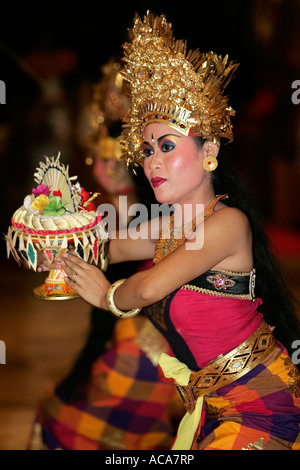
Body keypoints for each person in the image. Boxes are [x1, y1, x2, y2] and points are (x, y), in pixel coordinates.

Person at [39, 12, 300, 450]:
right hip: (212, 408)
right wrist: (53, 247)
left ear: (209, 151)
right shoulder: (167, 226)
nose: (151, 161)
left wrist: (105, 295)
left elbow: (146, 289)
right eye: (146, 150)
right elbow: (104, 245)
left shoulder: (227, 224)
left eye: (167, 146)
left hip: (260, 405)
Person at [29, 59, 184, 451]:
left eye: (122, 158)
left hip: (187, 355)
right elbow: (111, 246)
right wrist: (64, 253)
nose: (111, 168)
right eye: (103, 156)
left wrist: (105, 293)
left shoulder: (203, 219)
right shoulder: (126, 216)